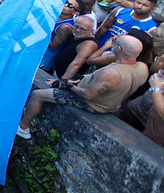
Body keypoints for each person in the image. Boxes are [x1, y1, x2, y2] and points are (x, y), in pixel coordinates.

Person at [17, 34, 148, 139]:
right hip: (111, 102)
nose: (112, 44)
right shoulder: (142, 68)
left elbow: (88, 95)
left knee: (37, 94)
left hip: (94, 104)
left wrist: (67, 85)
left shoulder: (111, 73)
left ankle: (23, 127)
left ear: (119, 49)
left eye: (115, 43)